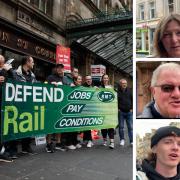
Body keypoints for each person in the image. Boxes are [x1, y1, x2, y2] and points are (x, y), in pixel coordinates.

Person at [9, 56, 37, 156]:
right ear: (27, 62)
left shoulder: (33, 76)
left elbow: (37, 87)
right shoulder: (15, 73)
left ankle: (26, 147)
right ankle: (13, 149)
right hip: (17, 105)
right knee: (16, 126)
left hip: (28, 105)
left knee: (27, 126)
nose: (33, 64)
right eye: (32, 62)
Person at [46, 63, 69, 153]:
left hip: (61, 105)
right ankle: (48, 143)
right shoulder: (50, 77)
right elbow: (45, 87)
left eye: (61, 68)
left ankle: (58, 143)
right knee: (51, 124)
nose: (59, 69)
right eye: (58, 68)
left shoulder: (66, 78)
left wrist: (71, 86)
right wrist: (51, 84)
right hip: (52, 105)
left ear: (63, 69)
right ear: (56, 69)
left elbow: (69, 87)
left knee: (59, 124)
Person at [0, 55, 13, 162]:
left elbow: (15, 82)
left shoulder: (5, 71)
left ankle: (2, 151)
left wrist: (10, 71)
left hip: (4, 103)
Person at [100, 74, 115, 149]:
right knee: (103, 126)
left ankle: (112, 142)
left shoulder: (111, 87)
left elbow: (114, 97)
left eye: (106, 78)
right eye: (104, 78)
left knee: (110, 125)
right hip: (102, 110)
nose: (105, 79)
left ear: (108, 79)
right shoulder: (99, 87)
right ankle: (105, 140)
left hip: (110, 110)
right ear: (102, 79)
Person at [118, 79, 133, 146]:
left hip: (129, 112)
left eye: (125, 83)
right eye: (123, 83)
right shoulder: (118, 91)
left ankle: (131, 141)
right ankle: (122, 140)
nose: (124, 84)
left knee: (130, 127)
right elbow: (116, 101)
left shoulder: (130, 91)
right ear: (120, 84)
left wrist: (132, 108)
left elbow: (132, 100)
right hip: (121, 112)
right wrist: (118, 108)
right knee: (121, 127)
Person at [82, 75, 94, 148]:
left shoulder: (93, 87)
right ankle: (87, 140)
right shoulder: (83, 87)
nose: (89, 80)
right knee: (85, 125)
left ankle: (88, 140)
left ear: (91, 80)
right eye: (87, 79)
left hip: (91, 109)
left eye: (90, 79)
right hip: (84, 109)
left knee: (88, 125)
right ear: (85, 80)